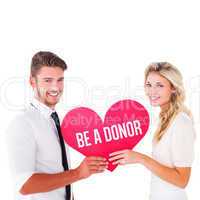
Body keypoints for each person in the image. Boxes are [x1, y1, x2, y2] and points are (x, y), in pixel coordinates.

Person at [6, 51, 108, 200]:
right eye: (48, 80)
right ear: (32, 82)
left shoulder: (55, 121)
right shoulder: (23, 123)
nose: (56, 87)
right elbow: (24, 184)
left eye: (60, 80)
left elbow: (59, 172)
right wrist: (78, 173)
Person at [109, 62, 195, 200]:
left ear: (173, 88)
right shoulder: (164, 119)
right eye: (149, 85)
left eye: (160, 85)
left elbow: (182, 180)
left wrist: (140, 158)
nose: (152, 92)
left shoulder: (181, 122)